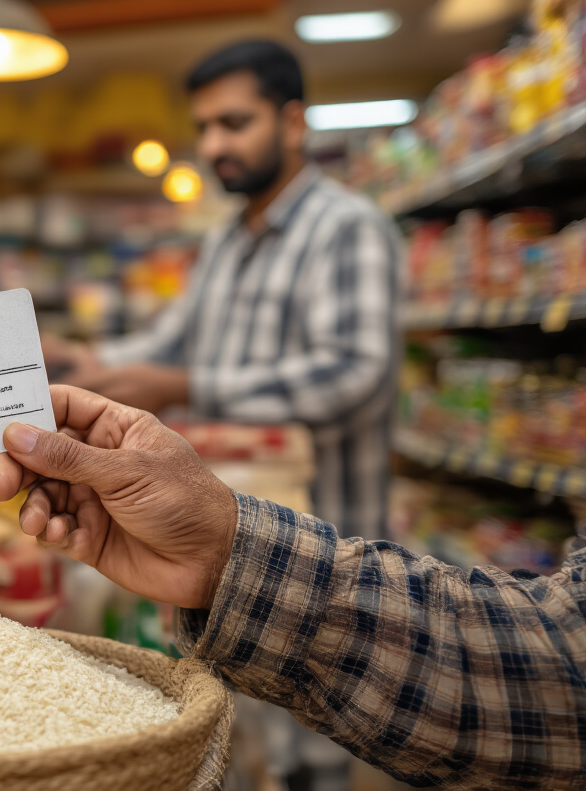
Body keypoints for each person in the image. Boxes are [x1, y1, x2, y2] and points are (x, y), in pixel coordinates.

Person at [0, 386, 586, 790]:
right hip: (289, 552)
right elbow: (560, 656)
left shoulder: (345, 229)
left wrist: (225, 549)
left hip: (333, 512)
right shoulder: (225, 245)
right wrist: (220, 553)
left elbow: (560, 668)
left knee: (310, 765)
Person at [45, 39, 402, 541]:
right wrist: (84, 360)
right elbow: (171, 341)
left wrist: (184, 387)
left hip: (330, 547)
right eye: (204, 128)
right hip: (232, 533)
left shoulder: (348, 226)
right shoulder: (224, 240)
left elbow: (352, 373)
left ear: (293, 123)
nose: (213, 147)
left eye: (233, 124)